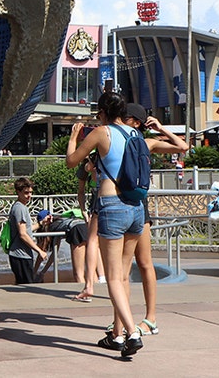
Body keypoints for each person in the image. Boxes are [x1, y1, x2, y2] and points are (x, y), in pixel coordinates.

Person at [67, 92, 146, 358]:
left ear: (102, 111)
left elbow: (72, 161)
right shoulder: (135, 133)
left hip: (112, 206)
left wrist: (73, 138)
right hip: (137, 208)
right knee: (123, 276)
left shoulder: (102, 133)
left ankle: (132, 333)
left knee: (112, 277)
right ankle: (116, 334)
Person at [121, 103, 186, 336]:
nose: (121, 120)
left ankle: (151, 317)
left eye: (125, 117)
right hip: (121, 205)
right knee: (123, 267)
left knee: (144, 262)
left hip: (138, 205)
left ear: (136, 122)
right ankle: (122, 319)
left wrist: (161, 127)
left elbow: (183, 146)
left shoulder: (147, 143)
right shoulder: (119, 138)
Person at [73, 155, 106, 302]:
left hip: (108, 200)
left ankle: (100, 279)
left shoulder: (106, 164)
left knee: (98, 242)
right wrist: (84, 212)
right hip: (97, 202)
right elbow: (81, 192)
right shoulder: (85, 169)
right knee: (93, 241)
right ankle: (92, 282)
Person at [6, 177, 46, 284]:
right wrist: (39, 251)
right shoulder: (20, 208)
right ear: (18, 192)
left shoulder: (20, 207)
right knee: (26, 286)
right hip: (20, 255)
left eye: (31, 192)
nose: (29, 196)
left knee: (23, 286)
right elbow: (23, 234)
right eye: (26, 193)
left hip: (21, 255)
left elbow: (26, 229)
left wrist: (41, 224)